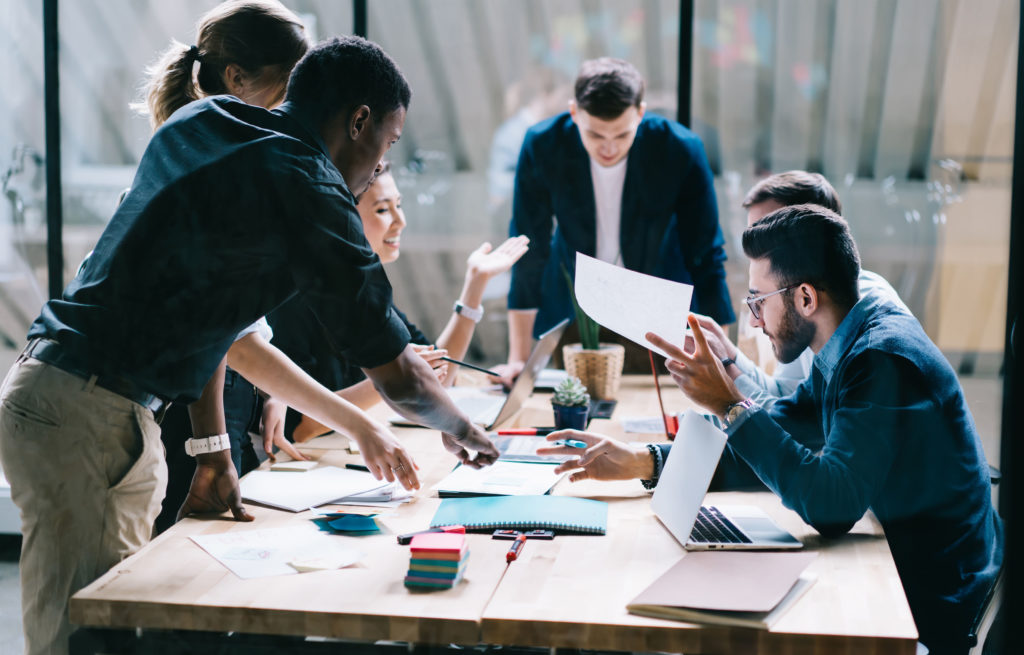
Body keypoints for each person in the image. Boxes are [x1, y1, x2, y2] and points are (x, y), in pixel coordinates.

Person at [0, 36, 498, 655]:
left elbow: (218, 323)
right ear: (359, 120)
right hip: (92, 412)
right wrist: (469, 434)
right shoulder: (306, 185)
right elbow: (399, 374)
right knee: (86, 634)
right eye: (387, 144)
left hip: (61, 391)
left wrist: (213, 450)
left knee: (108, 625)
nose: (378, 165)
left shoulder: (204, 119)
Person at [540, 205, 1003, 655]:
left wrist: (728, 402)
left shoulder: (880, 358)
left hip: (923, 600)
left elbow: (831, 505)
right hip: (898, 564)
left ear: (805, 298)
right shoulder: (846, 343)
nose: (755, 322)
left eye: (759, 303)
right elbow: (787, 427)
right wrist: (647, 460)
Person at [133, 0, 314, 535]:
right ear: (236, 78)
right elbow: (221, 333)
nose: (292, 111)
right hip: (180, 416)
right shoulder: (199, 172)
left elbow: (234, 322)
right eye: (289, 88)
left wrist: (270, 389)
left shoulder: (210, 158)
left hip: (217, 406)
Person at [499, 57, 733, 381]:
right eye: (595, 135)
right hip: (574, 313)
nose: (608, 148)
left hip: (658, 313)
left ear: (640, 113)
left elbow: (706, 254)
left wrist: (723, 362)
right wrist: (518, 359)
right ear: (574, 113)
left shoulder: (679, 149)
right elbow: (528, 250)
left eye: (622, 135)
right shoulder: (542, 145)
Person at [269, 162, 530, 442]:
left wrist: (475, 283)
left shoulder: (364, 292)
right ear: (340, 217)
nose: (400, 221)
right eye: (382, 209)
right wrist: (396, 378)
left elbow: (437, 374)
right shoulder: (292, 301)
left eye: (399, 205)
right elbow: (299, 427)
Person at [694, 170, 909, 409]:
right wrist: (727, 354)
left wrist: (725, 389)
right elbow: (788, 401)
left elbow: (802, 434)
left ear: (809, 228)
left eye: (769, 230)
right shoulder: (804, 316)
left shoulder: (852, 324)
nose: (756, 247)